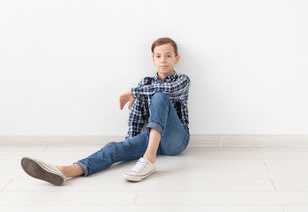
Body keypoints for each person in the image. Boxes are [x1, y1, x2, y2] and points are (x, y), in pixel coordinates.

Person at [20, 37, 191, 186]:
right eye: (158, 56)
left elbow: (168, 89)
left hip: (175, 139)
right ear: (153, 59)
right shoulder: (144, 83)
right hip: (151, 138)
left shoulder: (183, 80)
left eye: (168, 55)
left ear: (177, 58)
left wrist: (134, 92)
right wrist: (130, 144)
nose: (163, 60)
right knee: (113, 148)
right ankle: (64, 171)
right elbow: (136, 116)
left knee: (159, 96)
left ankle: (148, 160)